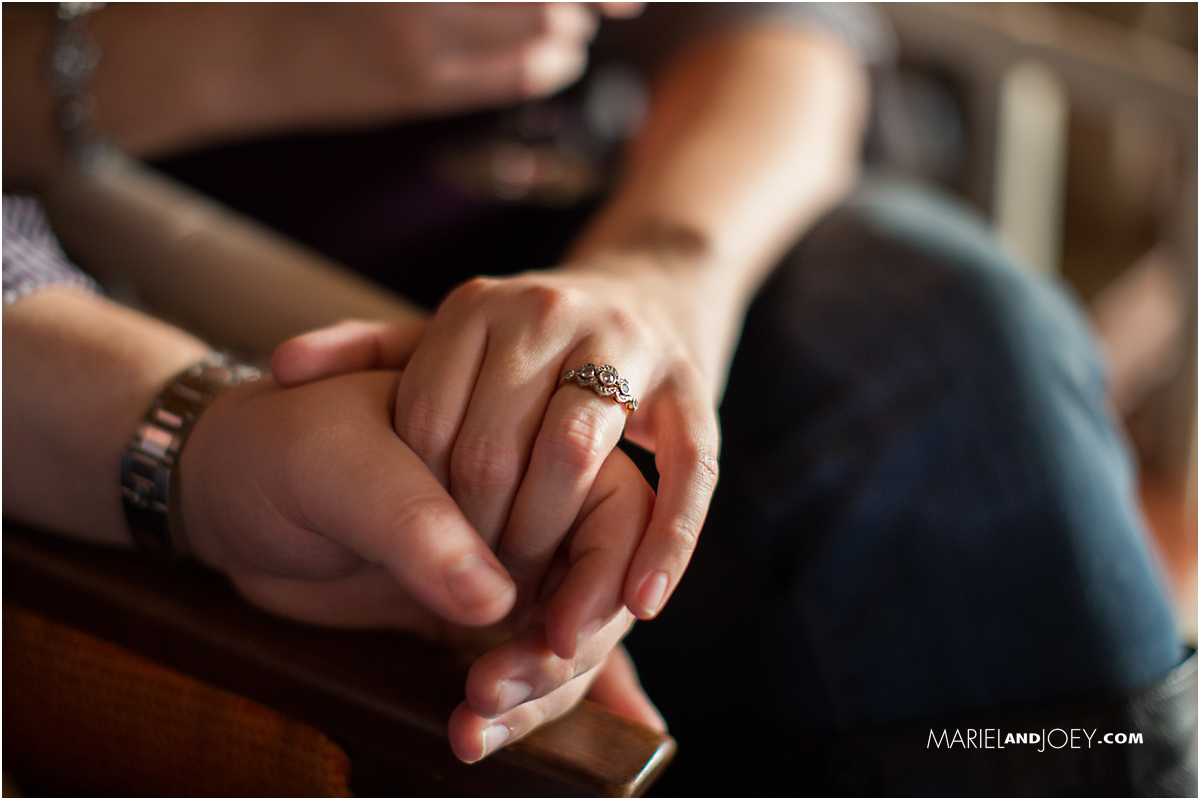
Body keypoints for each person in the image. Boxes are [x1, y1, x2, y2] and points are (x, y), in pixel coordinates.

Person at [4, 3, 1190, 793]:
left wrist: (661, 279)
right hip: (123, 321)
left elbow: (779, 24)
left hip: (599, 243)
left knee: (954, 341)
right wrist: (218, 50)